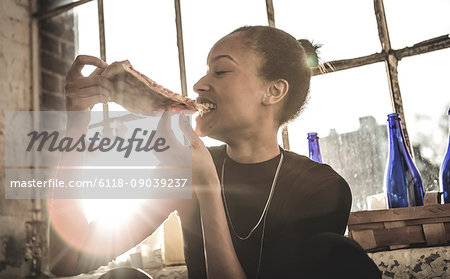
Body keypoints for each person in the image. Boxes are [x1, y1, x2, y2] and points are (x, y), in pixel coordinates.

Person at [49, 25, 381, 278]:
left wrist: (206, 185)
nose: (198, 84)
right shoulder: (182, 170)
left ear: (273, 91)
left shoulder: (321, 187)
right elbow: (68, 259)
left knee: (341, 254)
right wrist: (78, 123)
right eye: (206, 70)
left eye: (220, 71)